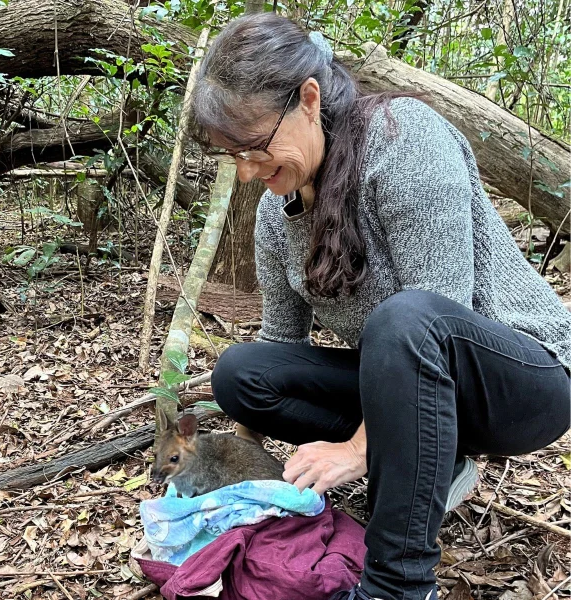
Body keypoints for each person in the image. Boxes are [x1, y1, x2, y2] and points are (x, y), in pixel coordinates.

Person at [188, 13, 571, 600]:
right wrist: (242, 470)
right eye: (232, 155)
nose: (247, 172)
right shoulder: (275, 210)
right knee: (242, 373)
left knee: (404, 319)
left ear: (308, 100)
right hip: (416, 384)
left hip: (525, 380)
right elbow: (282, 344)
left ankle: (398, 585)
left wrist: (358, 449)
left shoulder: (402, 138)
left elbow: (437, 309)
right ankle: (439, 463)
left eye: (256, 147)